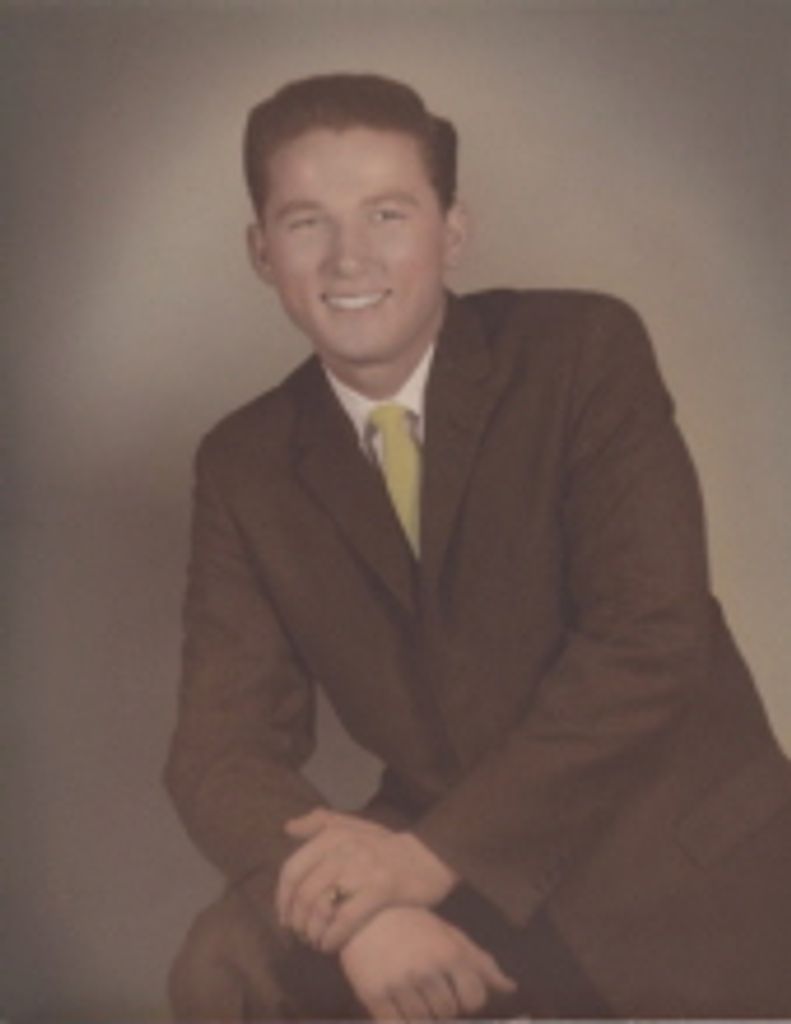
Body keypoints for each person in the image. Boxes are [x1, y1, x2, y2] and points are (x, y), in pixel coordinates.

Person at [165, 73, 791, 1021]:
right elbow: (220, 749)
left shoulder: (581, 351)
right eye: (305, 223)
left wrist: (428, 858)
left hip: (670, 851)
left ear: (451, 231)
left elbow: (650, 641)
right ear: (261, 251)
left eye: (387, 214)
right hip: (450, 869)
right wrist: (362, 915)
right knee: (230, 962)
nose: (348, 258)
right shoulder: (244, 462)